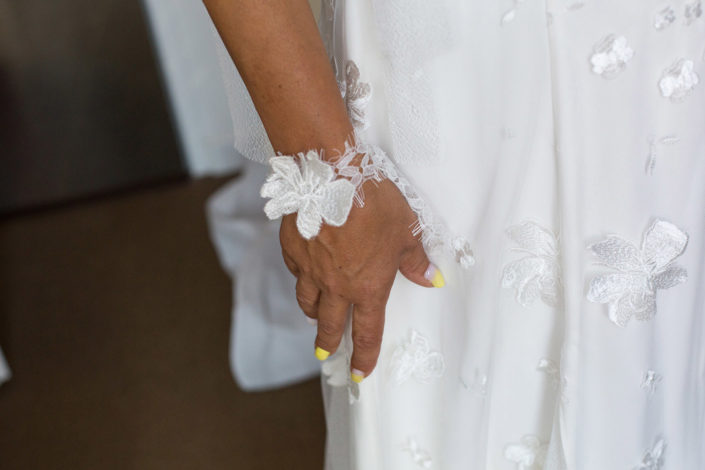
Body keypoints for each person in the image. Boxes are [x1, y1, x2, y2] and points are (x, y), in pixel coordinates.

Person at [204, 0, 705, 468]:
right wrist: (328, 178)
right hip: (453, 69)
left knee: (651, 365)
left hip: (659, 60)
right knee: (453, 377)